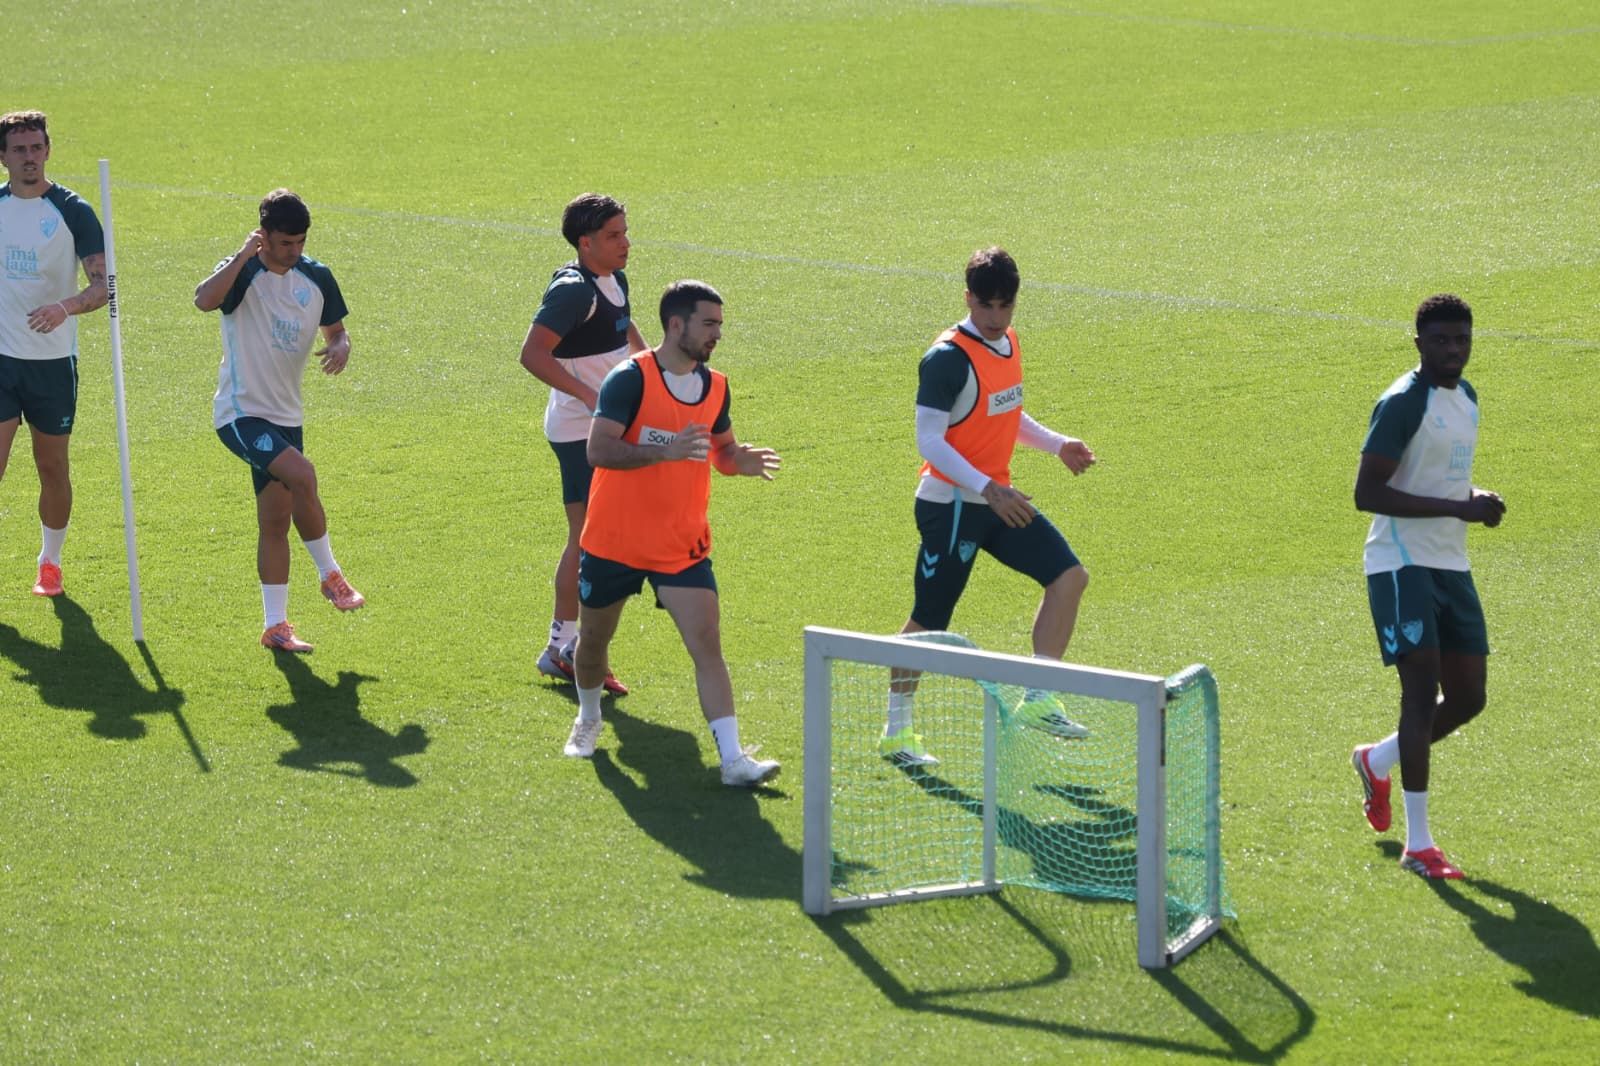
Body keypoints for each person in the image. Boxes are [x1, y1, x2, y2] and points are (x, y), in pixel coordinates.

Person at [562, 280, 782, 788]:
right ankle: (589, 716)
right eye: (709, 324)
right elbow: (598, 450)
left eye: (720, 325)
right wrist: (664, 451)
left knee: (707, 644)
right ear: (676, 324)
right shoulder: (629, 380)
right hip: (613, 541)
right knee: (593, 642)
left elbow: (718, 450)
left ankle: (732, 760)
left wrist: (736, 461)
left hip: (681, 545)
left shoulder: (717, 387)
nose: (717, 335)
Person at [882, 247, 1096, 767]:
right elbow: (929, 441)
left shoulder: (1008, 343)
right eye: (986, 306)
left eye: (1006, 306)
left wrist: (1057, 444)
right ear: (967, 299)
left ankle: (1039, 697)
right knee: (930, 621)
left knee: (1069, 577)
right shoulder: (946, 359)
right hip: (952, 504)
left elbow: (1004, 411)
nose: (997, 318)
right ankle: (896, 733)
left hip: (994, 498)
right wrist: (990, 489)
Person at [1351, 293, 1505, 880]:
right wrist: (1457, 509)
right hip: (1400, 564)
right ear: (1418, 342)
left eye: (1462, 340)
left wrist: (1473, 501)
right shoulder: (1401, 403)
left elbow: (1439, 481)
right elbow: (1368, 494)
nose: (1453, 350)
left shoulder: (1465, 398)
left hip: (1450, 564)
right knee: (1419, 695)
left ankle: (1377, 758)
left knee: (1469, 697)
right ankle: (1420, 845)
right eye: (1441, 340)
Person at [194, 189, 364, 653]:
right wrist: (243, 255)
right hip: (241, 414)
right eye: (284, 243)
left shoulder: (316, 277)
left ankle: (275, 626)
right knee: (304, 475)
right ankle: (330, 574)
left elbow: (338, 330)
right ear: (263, 236)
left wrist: (342, 346)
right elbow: (204, 300)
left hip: (287, 416)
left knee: (274, 521)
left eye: (300, 243)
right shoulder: (244, 272)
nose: (293, 252)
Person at [521, 193, 646, 696]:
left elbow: (624, 328)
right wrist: (593, 397)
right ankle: (566, 648)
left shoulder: (613, 279)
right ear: (585, 242)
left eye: (625, 232)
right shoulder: (573, 292)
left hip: (606, 425)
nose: (626, 243)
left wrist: (651, 365)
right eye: (614, 236)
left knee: (601, 537)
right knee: (591, 538)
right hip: (580, 432)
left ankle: (567, 646)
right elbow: (532, 355)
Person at [0, 110, 107, 598]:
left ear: (48, 150)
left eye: (36, 147)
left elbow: (103, 286)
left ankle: (51, 562)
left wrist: (66, 307)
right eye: (19, 149)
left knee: (52, 467)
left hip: (51, 364)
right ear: (3, 156)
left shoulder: (74, 211)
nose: (29, 157)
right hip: (1, 360)